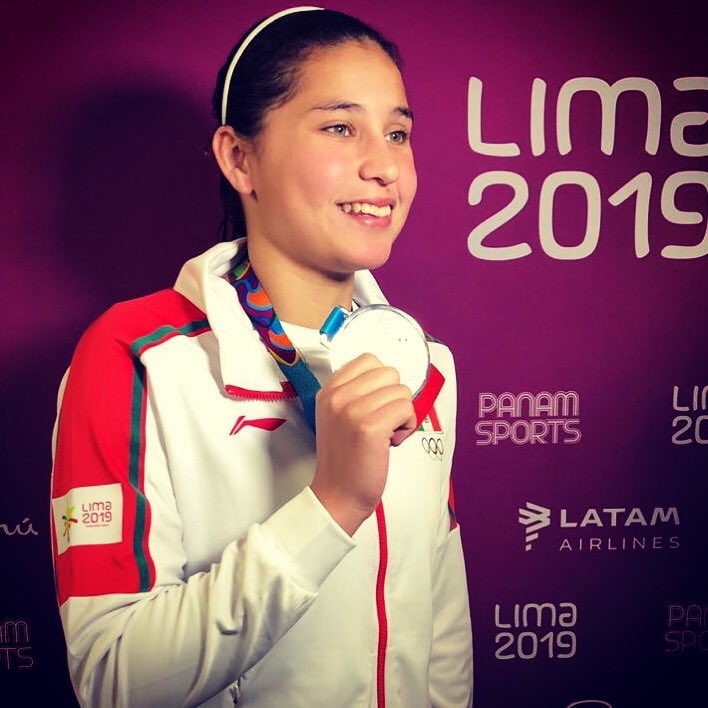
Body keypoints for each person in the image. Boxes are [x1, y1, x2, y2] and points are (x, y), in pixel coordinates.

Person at [50, 7, 473, 707]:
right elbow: (111, 676)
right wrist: (331, 505)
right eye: (341, 127)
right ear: (239, 157)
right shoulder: (133, 359)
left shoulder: (425, 362)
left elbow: (441, 627)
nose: (384, 167)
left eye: (397, 133)